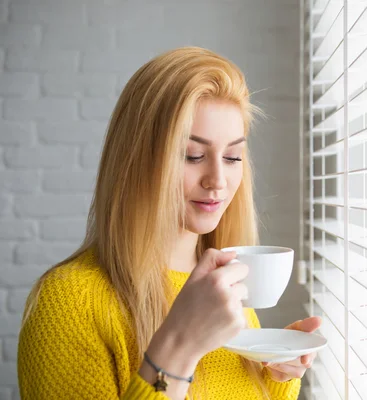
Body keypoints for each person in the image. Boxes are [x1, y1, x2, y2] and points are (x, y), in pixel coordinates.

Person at [17, 47, 321, 400]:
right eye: (193, 156)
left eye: (232, 156)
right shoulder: (68, 302)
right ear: (136, 160)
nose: (218, 180)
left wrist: (278, 374)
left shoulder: (223, 285)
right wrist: (178, 346)